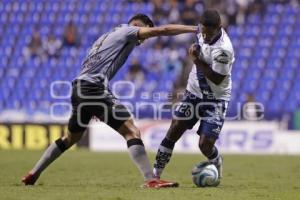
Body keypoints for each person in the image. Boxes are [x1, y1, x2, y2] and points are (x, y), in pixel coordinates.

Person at [22, 13, 197, 188]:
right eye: (145, 32)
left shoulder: (105, 36)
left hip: (78, 88)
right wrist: (195, 28)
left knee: (70, 138)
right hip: (93, 88)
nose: (142, 40)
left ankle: (33, 172)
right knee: (131, 130)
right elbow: (164, 30)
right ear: (137, 24)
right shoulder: (128, 31)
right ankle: (150, 179)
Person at [153, 10, 235, 185]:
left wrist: (196, 60)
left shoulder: (224, 49)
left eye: (208, 33)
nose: (204, 35)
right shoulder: (201, 30)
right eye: (202, 31)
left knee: (204, 145)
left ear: (218, 28)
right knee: (174, 128)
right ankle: (155, 175)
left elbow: (217, 78)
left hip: (216, 99)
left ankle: (216, 161)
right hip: (193, 93)